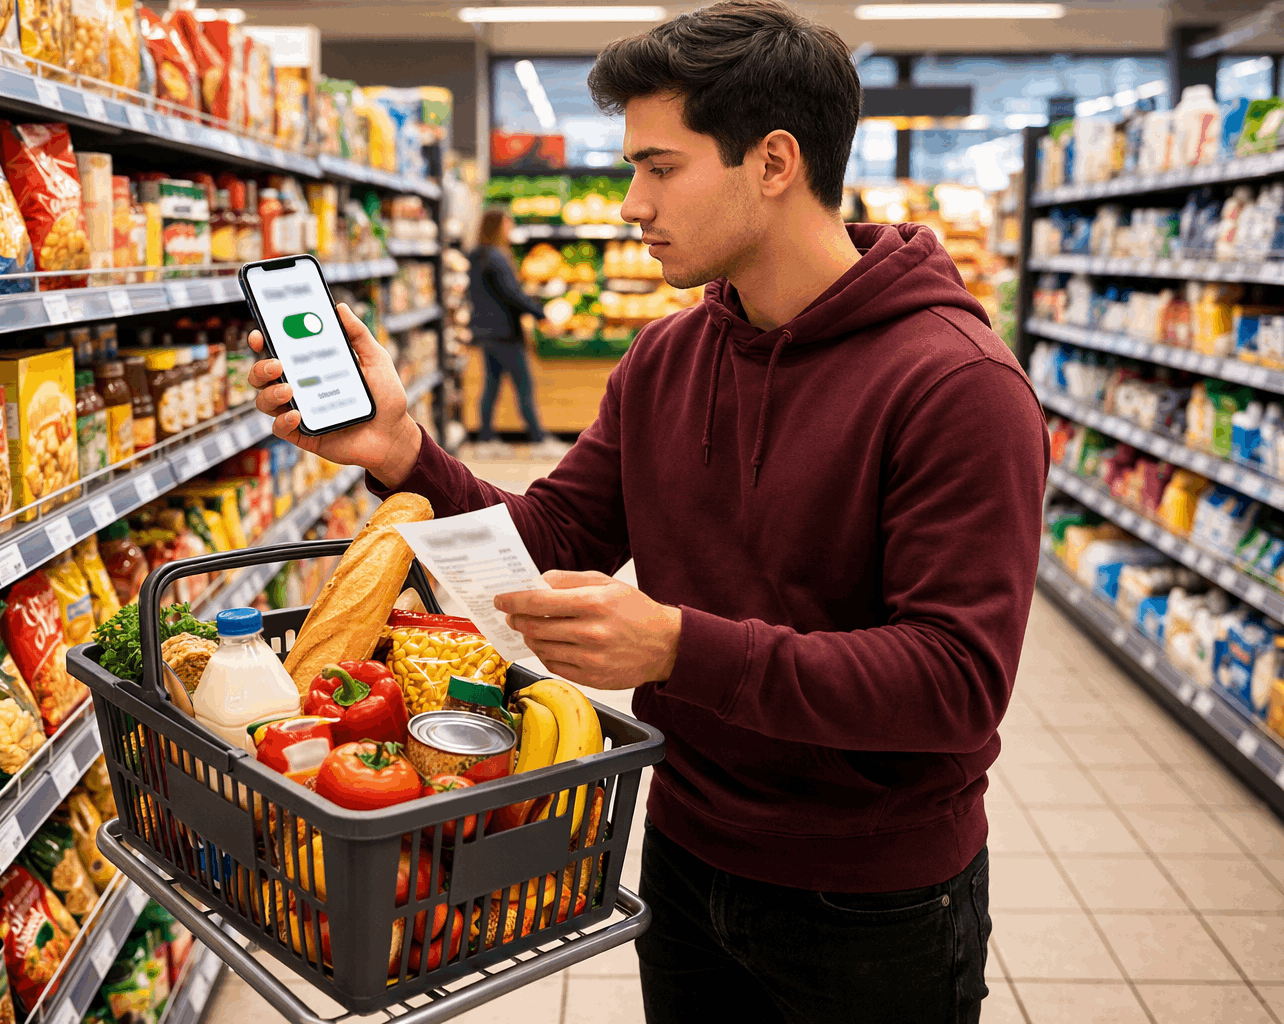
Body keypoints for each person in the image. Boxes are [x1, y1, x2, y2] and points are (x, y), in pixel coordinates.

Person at [249, 1, 1048, 1020]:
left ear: (773, 162)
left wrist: (678, 646)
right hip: (682, 850)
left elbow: (956, 682)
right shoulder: (666, 358)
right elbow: (552, 539)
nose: (632, 203)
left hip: (873, 897)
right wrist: (404, 454)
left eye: (659, 167)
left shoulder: (958, 385)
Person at [467, 208, 564, 457]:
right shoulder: (497, 257)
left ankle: (485, 440)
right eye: (507, 224)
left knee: (492, 386)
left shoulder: (477, 255)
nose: (510, 229)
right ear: (497, 227)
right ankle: (539, 440)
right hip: (504, 332)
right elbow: (513, 295)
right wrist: (542, 315)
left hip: (486, 331)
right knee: (523, 386)